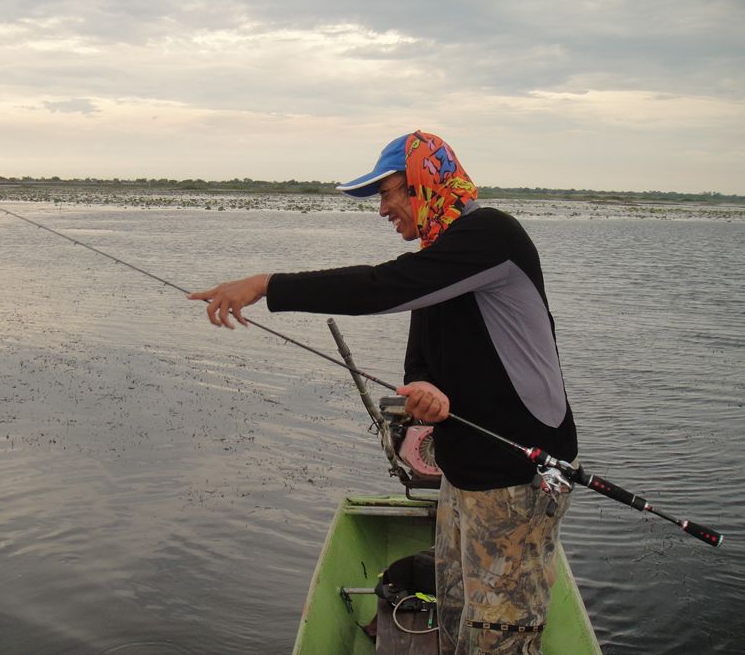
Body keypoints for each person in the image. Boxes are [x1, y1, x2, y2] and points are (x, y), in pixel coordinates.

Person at [188, 130, 578, 654]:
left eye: (388, 192)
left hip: (515, 481)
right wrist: (425, 390)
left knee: (498, 643)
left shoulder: (491, 237)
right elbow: (420, 360)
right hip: (464, 478)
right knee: (460, 622)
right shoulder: (440, 259)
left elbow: (381, 287)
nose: (382, 209)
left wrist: (266, 285)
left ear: (424, 184)